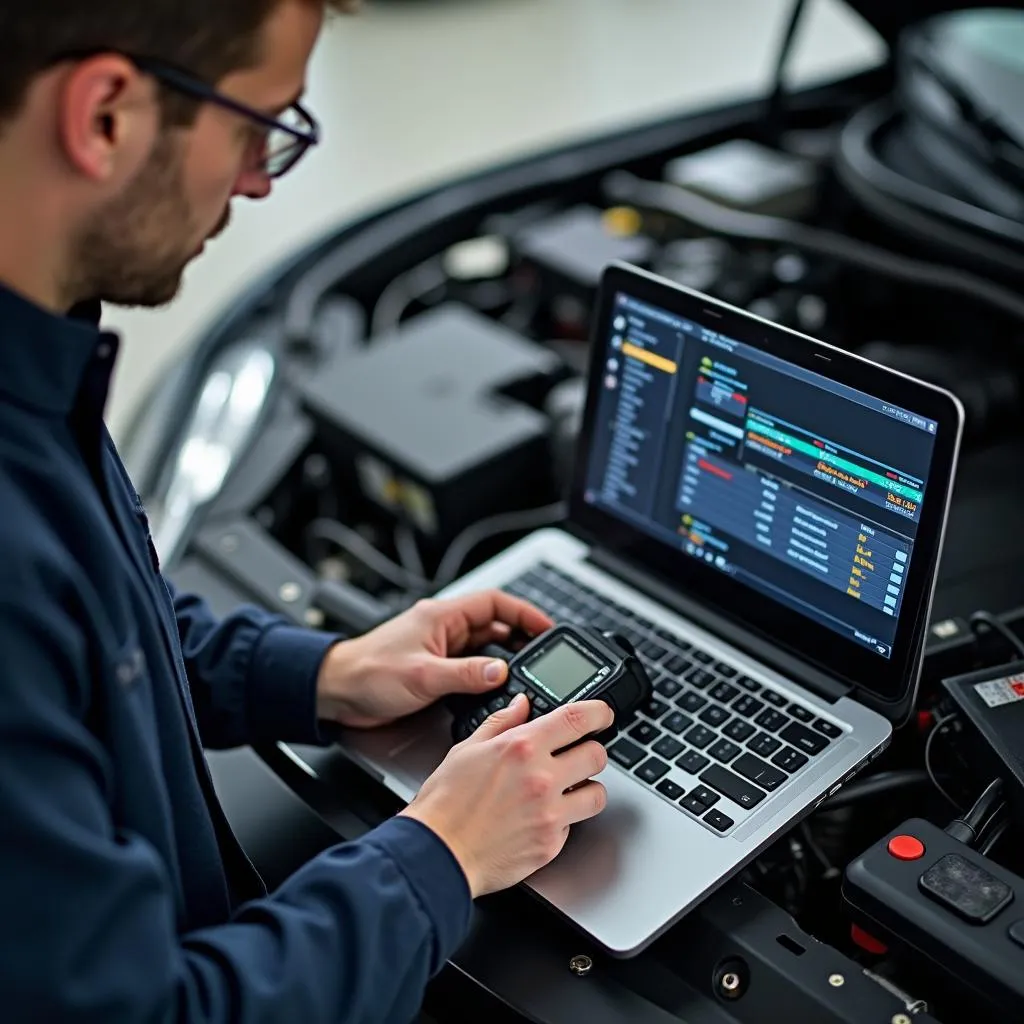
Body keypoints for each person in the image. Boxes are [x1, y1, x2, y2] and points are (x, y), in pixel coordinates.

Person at [0, 2, 614, 1021]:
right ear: (104, 114)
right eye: (260, 127)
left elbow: (91, 642)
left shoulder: (38, 344)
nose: (255, 180)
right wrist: (442, 851)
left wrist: (322, 673)